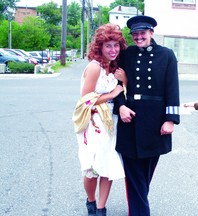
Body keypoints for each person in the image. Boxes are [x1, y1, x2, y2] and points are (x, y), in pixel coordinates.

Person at [114, 15, 180, 216]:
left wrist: (171, 119)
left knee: (145, 174)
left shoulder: (167, 55)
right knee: (134, 173)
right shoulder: (127, 54)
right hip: (131, 118)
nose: (138, 37)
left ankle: (137, 206)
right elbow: (115, 85)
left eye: (142, 33)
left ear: (152, 32)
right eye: (134, 34)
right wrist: (121, 106)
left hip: (155, 120)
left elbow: (172, 88)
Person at [72, 24, 127, 216]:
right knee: (92, 168)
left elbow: (123, 92)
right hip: (93, 122)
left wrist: (124, 81)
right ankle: (91, 201)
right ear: (100, 48)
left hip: (110, 122)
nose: (113, 50)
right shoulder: (95, 67)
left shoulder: (114, 68)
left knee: (107, 164)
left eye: (116, 45)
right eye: (108, 46)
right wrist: (113, 92)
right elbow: (85, 99)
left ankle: (101, 207)